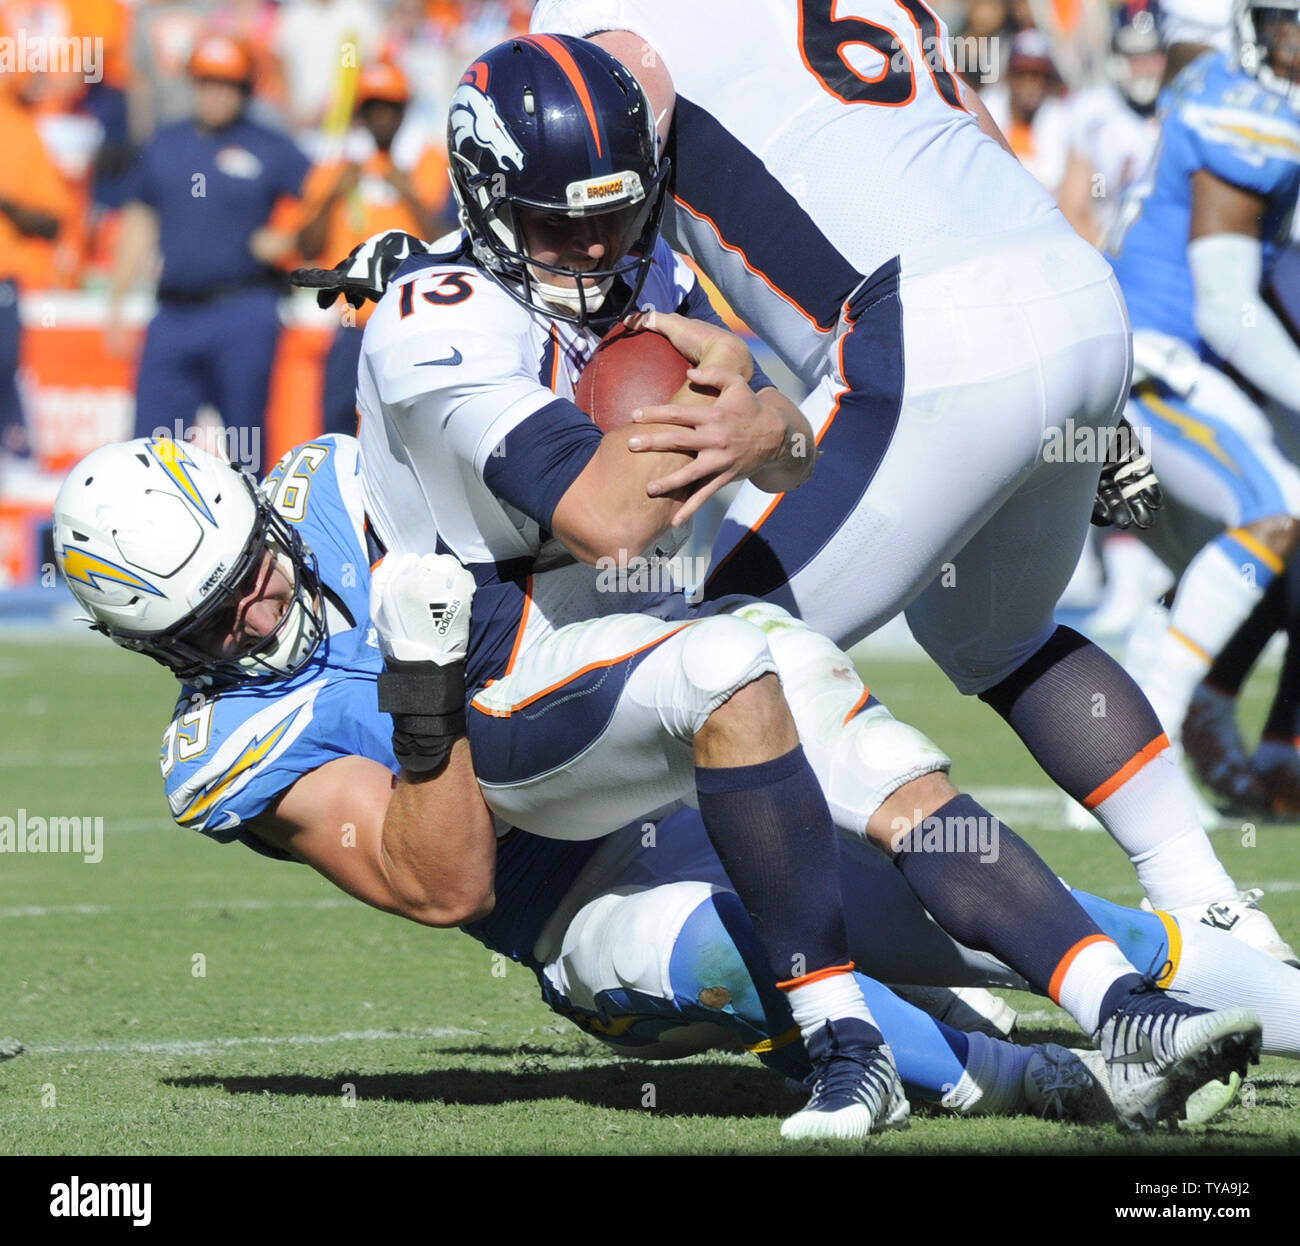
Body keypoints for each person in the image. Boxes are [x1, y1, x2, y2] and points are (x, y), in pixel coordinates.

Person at [354, 35, 1265, 1135]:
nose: (596, 251)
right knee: (737, 661)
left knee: (865, 740)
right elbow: (606, 519)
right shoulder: (435, 322)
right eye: (562, 225)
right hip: (512, 691)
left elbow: (788, 445)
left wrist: (754, 409)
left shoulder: (637, 266)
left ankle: (1125, 1014)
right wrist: (731, 405)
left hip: (632, 636)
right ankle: (846, 1043)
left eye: (617, 215)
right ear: (489, 196)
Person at [56, 434, 1300, 1132]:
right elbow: (446, 883)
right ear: (158, 644)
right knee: (713, 949)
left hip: (660, 765)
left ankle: (1223, 995)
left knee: (1012, 927)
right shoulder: (229, 746)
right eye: (216, 620)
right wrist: (421, 698)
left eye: (253, 572)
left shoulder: (337, 484)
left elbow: (550, 461)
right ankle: (1054, 1086)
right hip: (576, 896)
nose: (259, 609)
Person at [523, 1, 1294, 963]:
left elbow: (561, 186)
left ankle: (984, 958)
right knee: (996, 634)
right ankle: (1217, 909)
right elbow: (973, 138)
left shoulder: (613, 16)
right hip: (1073, 288)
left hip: (926, 326)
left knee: (700, 657)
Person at [1107, 0, 1300, 824]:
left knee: (1253, 547)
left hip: (1180, 366)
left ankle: (1196, 716)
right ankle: (1141, 756)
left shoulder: (1207, 76)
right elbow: (1225, 310)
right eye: (1292, 25)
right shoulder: (1249, 115)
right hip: (1162, 361)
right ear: (1257, 29)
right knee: (1276, 511)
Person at [106, 32, 310, 464]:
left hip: (244, 310)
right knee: (152, 449)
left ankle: (255, 530)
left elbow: (324, 201)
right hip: (173, 312)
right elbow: (140, 220)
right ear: (193, 83)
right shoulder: (165, 143)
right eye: (207, 81)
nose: (216, 93)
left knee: (247, 447)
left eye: (228, 83)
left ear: (245, 89)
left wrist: (287, 239)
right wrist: (118, 300)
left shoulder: (269, 146)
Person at [294, 60, 451, 437]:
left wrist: (409, 193)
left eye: (390, 107)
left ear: (403, 111)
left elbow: (448, 241)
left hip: (414, 321)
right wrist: (333, 194)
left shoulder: (429, 161)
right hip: (353, 322)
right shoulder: (336, 164)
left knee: (412, 429)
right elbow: (305, 245)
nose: (382, 117)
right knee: (337, 423)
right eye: (373, 108)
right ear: (361, 113)